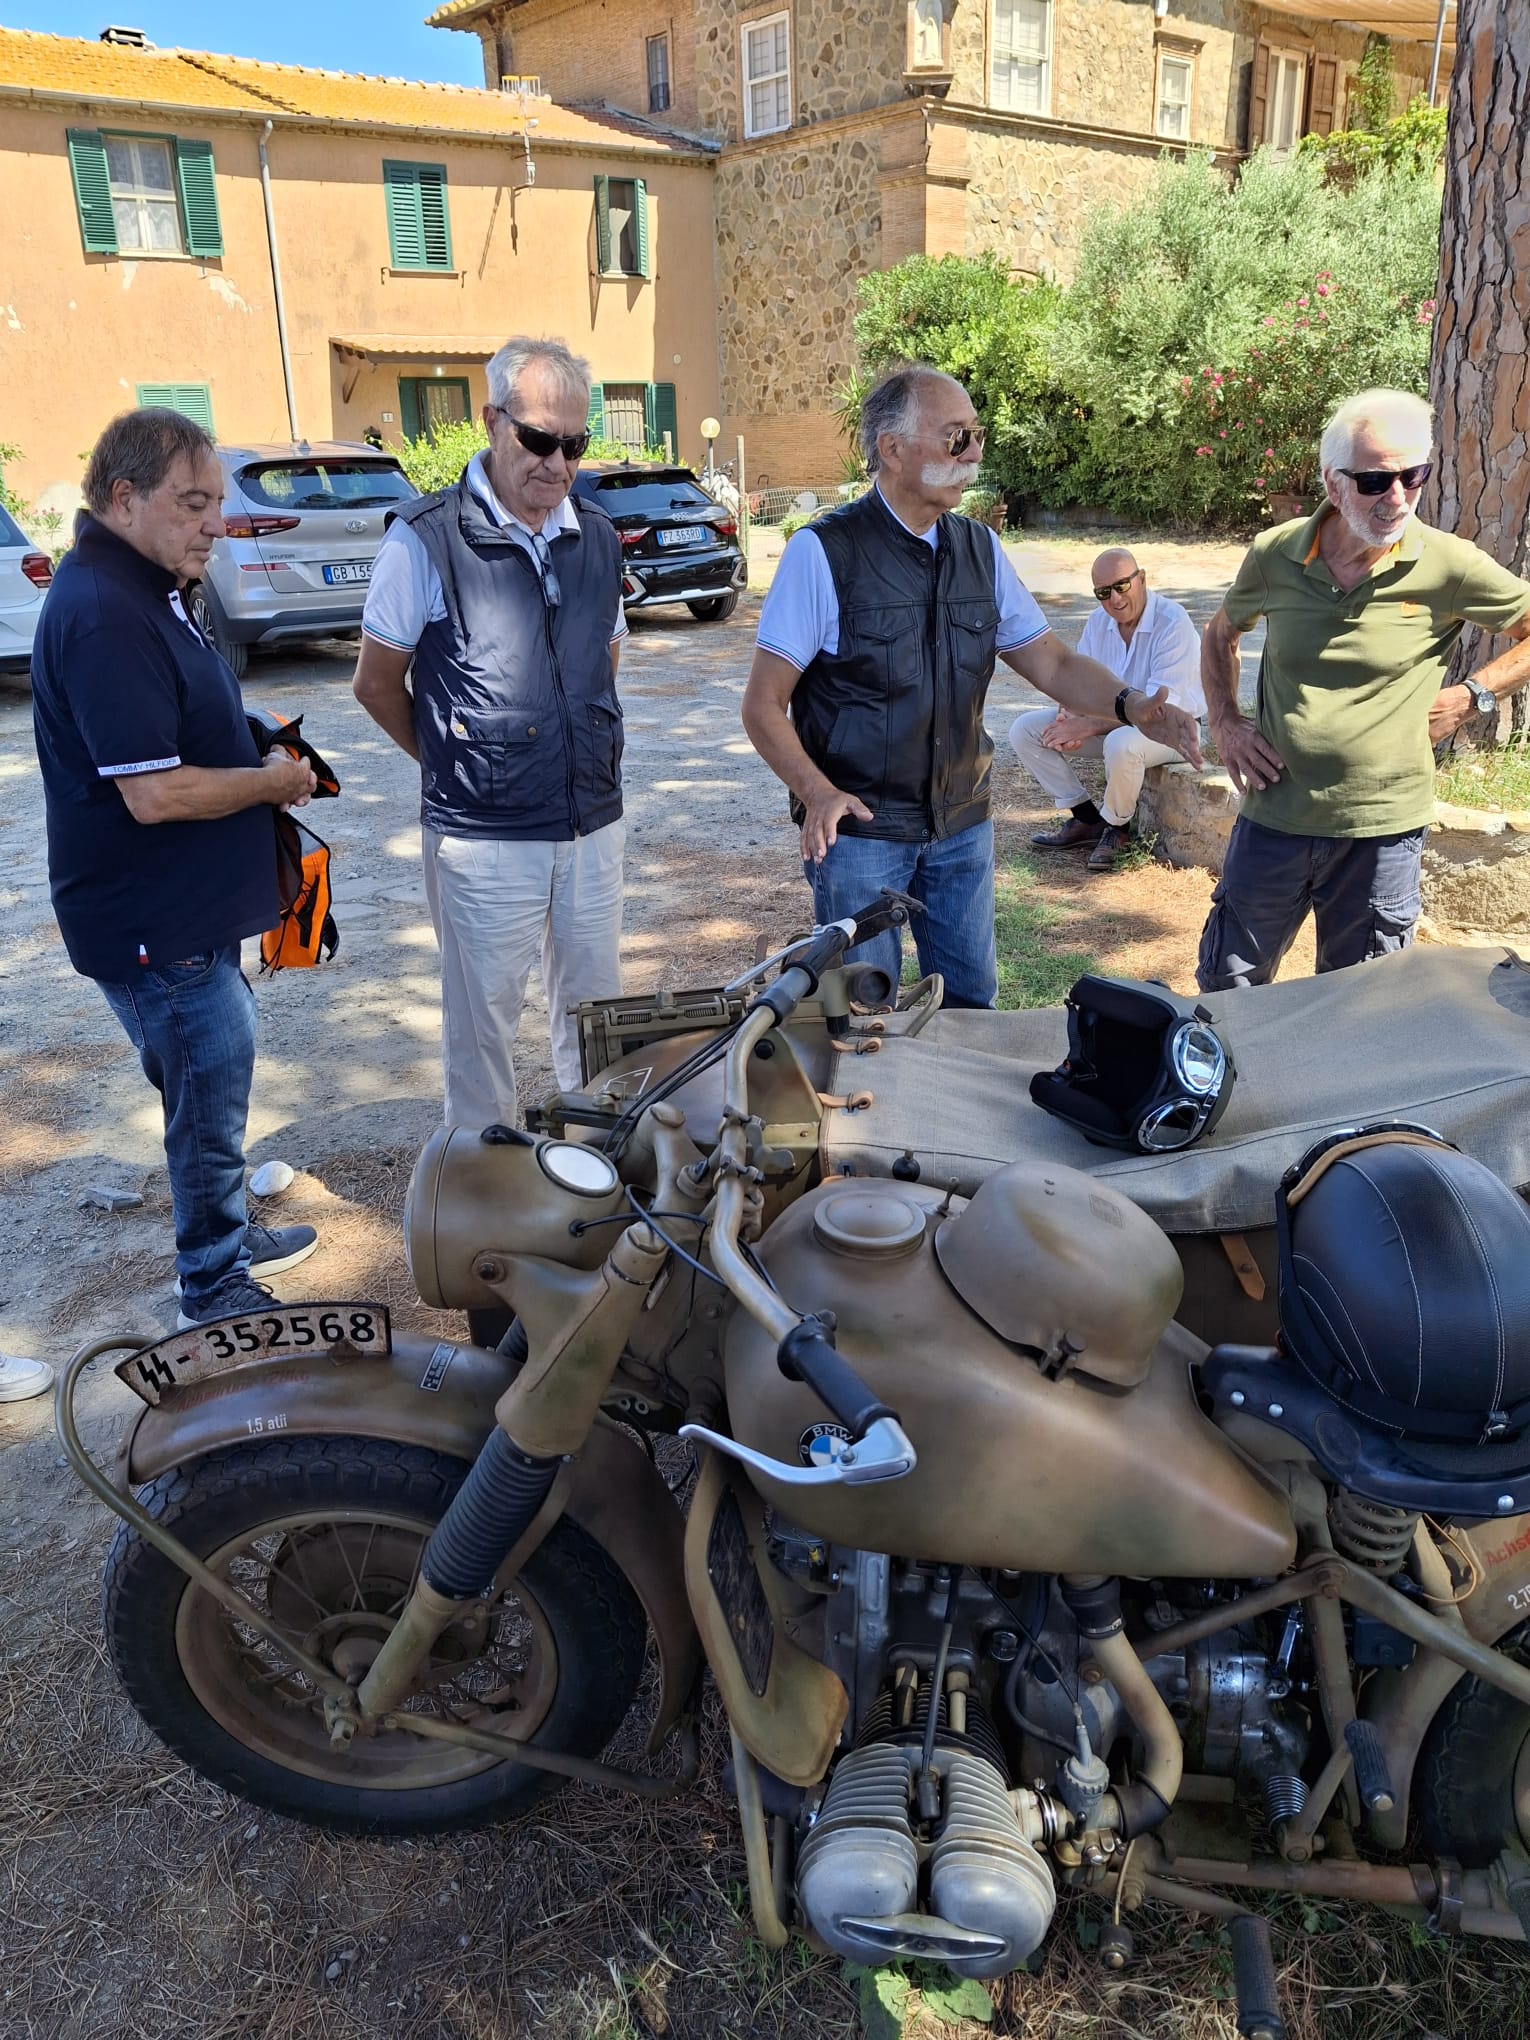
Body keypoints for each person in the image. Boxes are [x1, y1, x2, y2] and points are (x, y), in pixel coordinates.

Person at [741, 364, 1202, 1005]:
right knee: (862, 1018)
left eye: (977, 435)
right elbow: (763, 705)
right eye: (957, 436)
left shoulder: (980, 548)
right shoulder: (822, 553)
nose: (976, 453)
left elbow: (1053, 664)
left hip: (962, 826)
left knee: (971, 1009)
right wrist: (817, 793)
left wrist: (1132, 705)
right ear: (892, 448)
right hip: (862, 835)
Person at [30, 410, 319, 1330]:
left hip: (179, 916)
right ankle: (212, 1283)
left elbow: (171, 726)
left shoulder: (145, 587)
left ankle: (223, 1239)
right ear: (124, 499)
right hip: (154, 924)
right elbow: (152, 795)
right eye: (193, 503)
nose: (214, 525)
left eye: (216, 504)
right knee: (205, 1088)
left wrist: (249, 742)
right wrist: (268, 782)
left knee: (209, 1084)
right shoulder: (105, 612)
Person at [354, 336, 627, 1127]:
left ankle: (596, 1163)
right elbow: (376, 683)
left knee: (597, 1021)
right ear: (491, 421)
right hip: (482, 836)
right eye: (538, 439)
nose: (557, 463)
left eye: (574, 444)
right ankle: (483, 1182)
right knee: (482, 1033)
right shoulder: (424, 539)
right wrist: (451, 761)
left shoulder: (598, 537)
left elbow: (603, 659)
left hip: (591, 825)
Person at [1197, 387, 1530, 991]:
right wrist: (1226, 722)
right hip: (1275, 816)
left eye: (1413, 475)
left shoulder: (1448, 564)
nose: (1397, 497)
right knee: (1229, 991)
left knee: (1361, 1008)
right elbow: (1220, 634)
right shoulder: (1275, 555)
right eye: (1375, 481)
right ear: (1333, 483)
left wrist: (1472, 696)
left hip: (1382, 830)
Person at [1010, 548, 1204, 872]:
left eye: (1121, 586)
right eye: (1103, 592)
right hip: (1114, 724)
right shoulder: (1098, 622)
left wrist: (1088, 726)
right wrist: (1068, 717)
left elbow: (1157, 710)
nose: (1114, 599)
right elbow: (1076, 683)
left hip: (1173, 731)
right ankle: (1087, 819)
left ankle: (1118, 828)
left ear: (1142, 579)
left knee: (1121, 743)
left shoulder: (1173, 622)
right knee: (1026, 730)